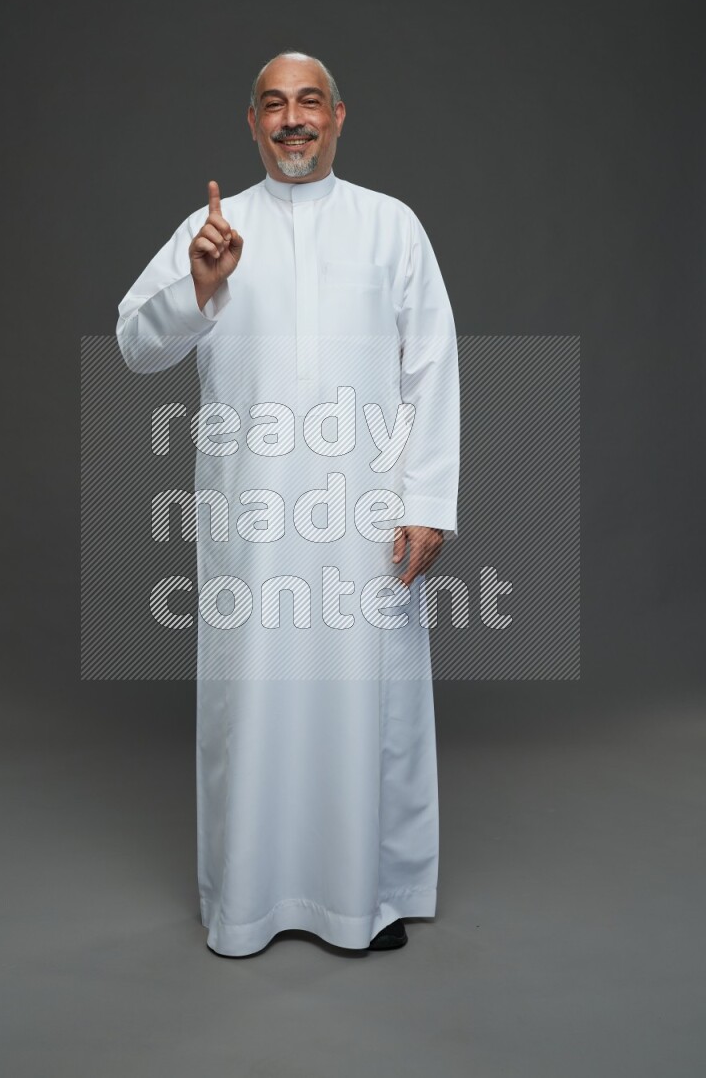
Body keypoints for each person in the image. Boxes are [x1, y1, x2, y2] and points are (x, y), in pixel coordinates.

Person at [116, 51, 460, 956]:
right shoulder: (213, 229)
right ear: (252, 122)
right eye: (275, 105)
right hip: (255, 522)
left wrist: (426, 500)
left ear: (340, 116)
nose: (293, 119)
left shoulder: (392, 228)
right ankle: (250, 899)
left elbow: (431, 367)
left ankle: (366, 898)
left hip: (366, 519)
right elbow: (133, 345)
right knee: (254, 700)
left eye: (310, 102)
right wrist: (199, 284)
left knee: (368, 700)